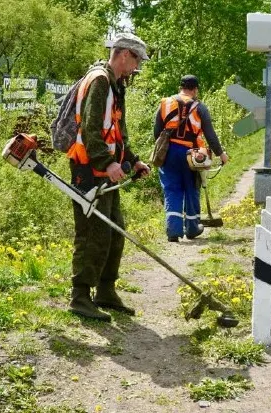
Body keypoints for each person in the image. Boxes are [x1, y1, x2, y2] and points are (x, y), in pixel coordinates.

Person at [67, 33, 151, 322]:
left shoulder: (116, 85)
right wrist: (106, 161)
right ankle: (80, 296)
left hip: (106, 170)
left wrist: (132, 160)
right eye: (136, 60)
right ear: (125, 54)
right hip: (89, 171)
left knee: (115, 232)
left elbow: (117, 132)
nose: (136, 67)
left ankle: (105, 290)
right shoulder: (100, 81)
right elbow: (91, 129)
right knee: (93, 233)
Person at [154, 75, 229, 243]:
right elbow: (210, 135)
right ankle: (192, 228)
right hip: (192, 154)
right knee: (191, 188)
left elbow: (157, 131)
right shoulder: (200, 107)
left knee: (172, 190)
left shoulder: (165, 103)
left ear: (180, 87)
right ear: (195, 89)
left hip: (169, 152)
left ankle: (173, 230)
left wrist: (164, 150)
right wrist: (220, 154)